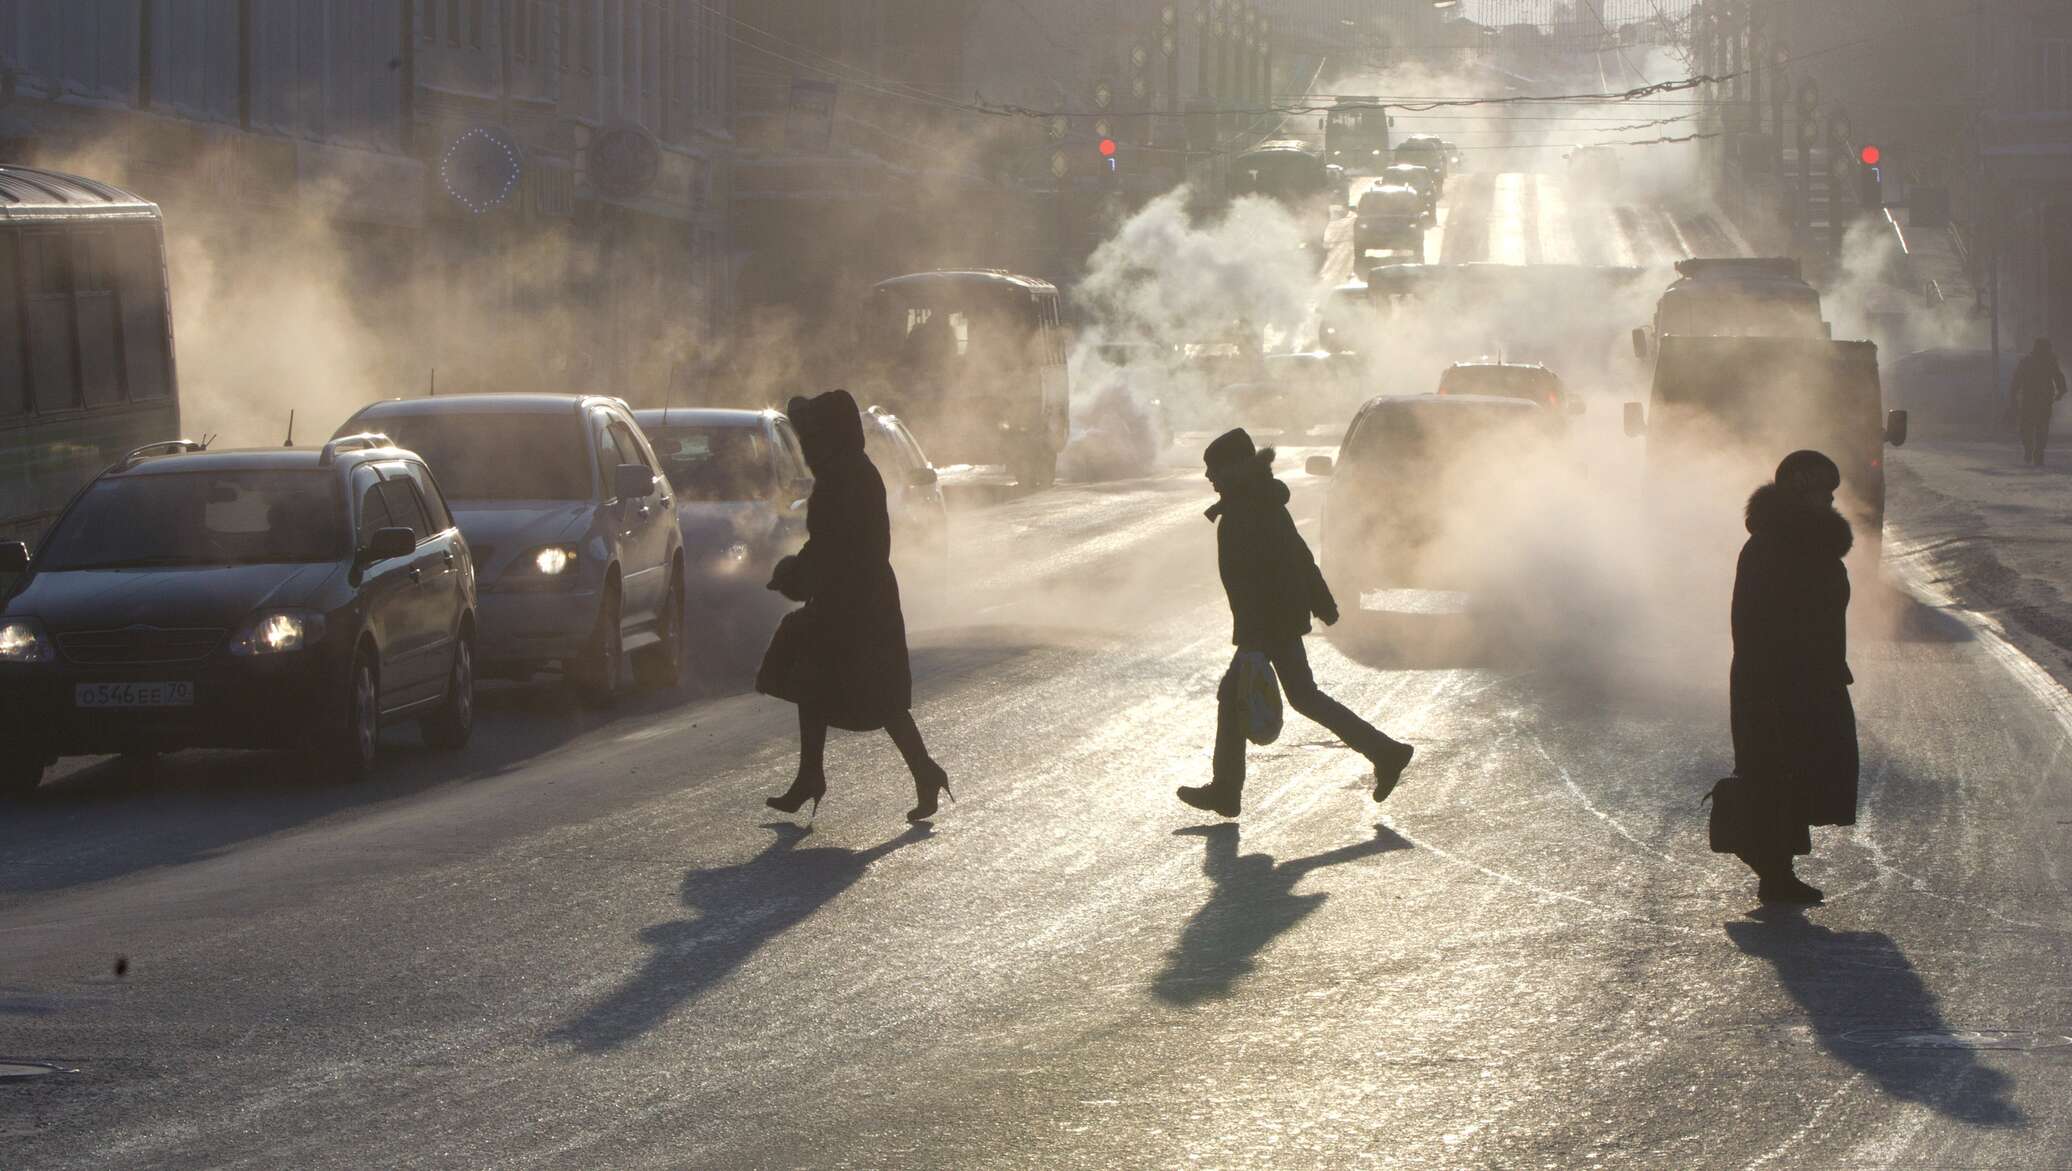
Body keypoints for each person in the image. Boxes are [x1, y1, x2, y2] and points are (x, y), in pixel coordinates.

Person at [1177, 428, 1414, 819]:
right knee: (1299, 696)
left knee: (1244, 697)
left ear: (1233, 469)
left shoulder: (1248, 509)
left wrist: (1264, 631)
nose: (1208, 477)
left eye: (1213, 469)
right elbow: (1300, 556)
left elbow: (1281, 567)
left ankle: (1226, 790)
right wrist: (1321, 602)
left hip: (1267, 624)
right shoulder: (1254, 503)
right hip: (1273, 622)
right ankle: (1385, 752)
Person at [757, 389, 951, 822]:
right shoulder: (850, 471)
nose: (809, 444)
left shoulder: (844, 478)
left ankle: (921, 770)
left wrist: (794, 574)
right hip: (858, 596)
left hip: (855, 601)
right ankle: (816, 775)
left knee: (873, 695)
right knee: (821, 684)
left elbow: (833, 545)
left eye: (816, 434)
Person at [1729, 450, 1860, 904]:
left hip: (1807, 675)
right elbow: (1763, 620)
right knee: (1775, 769)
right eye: (1822, 490)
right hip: (1777, 679)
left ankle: (1776, 868)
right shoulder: (1773, 547)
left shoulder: (1804, 544)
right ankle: (1772, 869)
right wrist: (1787, 672)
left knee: (1798, 768)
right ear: (1802, 491)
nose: (1829, 499)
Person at [2011, 338, 2067, 466]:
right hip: (2043, 401)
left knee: (2027, 428)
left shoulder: (2027, 361)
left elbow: (2016, 379)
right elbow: (2059, 377)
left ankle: (2030, 449)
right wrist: (2061, 392)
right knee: (2041, 428)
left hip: (2030, 401)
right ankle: (2037, 452)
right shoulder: (2049, 362)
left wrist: (2013, 394)